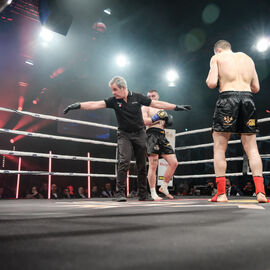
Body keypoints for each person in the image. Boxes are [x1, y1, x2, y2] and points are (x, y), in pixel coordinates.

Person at [64, 76, 191, 202]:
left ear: (123, 87)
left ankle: (143, 194)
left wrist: (176, 107)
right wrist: (78, 105)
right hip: (124, 134)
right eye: (112, 90)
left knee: (142, 164)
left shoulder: (137, 97)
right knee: (124, 161)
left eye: (115, 89)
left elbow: (157, 103)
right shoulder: (114, 100)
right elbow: (95, 104)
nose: (113, 93)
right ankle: (120, 193)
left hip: (140, 133)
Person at [206, 40, 269, 203]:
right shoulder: (248, 58)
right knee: (252, 148)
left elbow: (211, 83)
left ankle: (221, 194)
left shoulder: (218, 57)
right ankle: (261, 193)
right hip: (248, 100)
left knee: (220, 147)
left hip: (228, 98)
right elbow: (256, 88)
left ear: (218, 50)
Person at [142, 90, 183, 200]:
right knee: (153, 165)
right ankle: (153, 192)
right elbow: (144, 121)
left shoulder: (161, 108)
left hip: (162, 135)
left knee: (174, 162)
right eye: (149, 96)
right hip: (151, 135)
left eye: (153, 96)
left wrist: (166, 121)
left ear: (158, 96)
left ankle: (164, 187)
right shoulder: (146, 107)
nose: (151, 97)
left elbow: (164, 124)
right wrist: (156, 119)